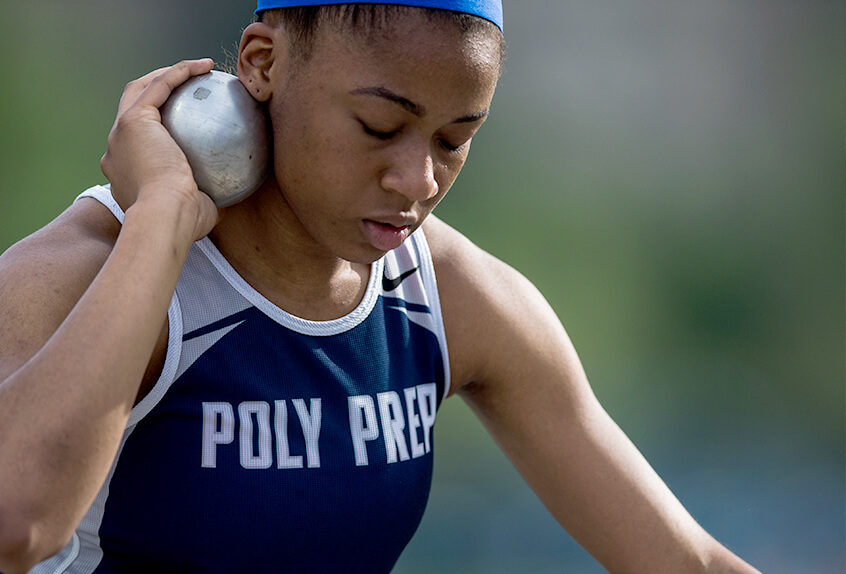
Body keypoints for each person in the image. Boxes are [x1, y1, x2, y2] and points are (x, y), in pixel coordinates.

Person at [0, 2, 760, 572]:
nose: (417, 180)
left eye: (454, 140)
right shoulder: (77, 273)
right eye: (376, 126)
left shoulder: (451, 299)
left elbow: (685, 563)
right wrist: (161, 221)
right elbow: (18, 523)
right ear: (261, 64)